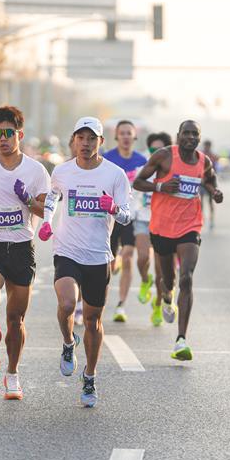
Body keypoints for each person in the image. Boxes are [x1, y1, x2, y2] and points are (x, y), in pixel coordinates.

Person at [38, 116, 132, 407]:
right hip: (67, 250)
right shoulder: (63, 171)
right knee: (66, 304)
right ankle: (68, 343)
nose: (86, 144)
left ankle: (89, 377)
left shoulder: (115, 175)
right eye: (81, 138)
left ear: (101, 142)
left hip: (98, 256)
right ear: (74, 140)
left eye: (92, 139)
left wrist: (114, 208)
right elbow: (52, 198)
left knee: (92, 320)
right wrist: (46, 221)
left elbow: (128, 216)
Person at [0, 106, 50, 401]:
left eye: (8, 133)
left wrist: (27, 199)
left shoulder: (35, 171)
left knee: (16, 318)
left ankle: (13, 375)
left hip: (21, 248)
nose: (2, 139)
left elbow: (45, 209)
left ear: (19, 134)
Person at [133, 120, 223, 361]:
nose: (191, 137)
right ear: (179, 135)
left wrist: (214, 191)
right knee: (168, 280)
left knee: (187, 277)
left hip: (190, 226)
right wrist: (161, 186)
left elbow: (210, 179)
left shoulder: (203, 161)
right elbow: (138, 182)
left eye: (195, 134)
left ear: (199, 138)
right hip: (162, 227)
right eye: (187, 133)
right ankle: (166, 296)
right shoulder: (164, 157)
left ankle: (181, 339)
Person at [102, 120, 151, 323]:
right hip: (110, 216)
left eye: (128, 133)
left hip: (131, 215)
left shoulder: (142, 161)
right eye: (121, 133)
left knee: (129, 254)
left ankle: (121, 305)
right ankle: (116, 261)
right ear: (116, 136)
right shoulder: (106, 159)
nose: (125, 137)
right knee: (110, 265)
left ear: (134, 136)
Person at [143, 131, 172, 326]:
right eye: (153, 149)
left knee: (166, 272)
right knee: (149, 262)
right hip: (147, 221)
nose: (156, 152)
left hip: (171, 225)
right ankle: (149, 286)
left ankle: (161, 302)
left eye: (160, 149)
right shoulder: (146, 166)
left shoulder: (174, 169)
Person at [199, 140, 220, 229]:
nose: (207, 147)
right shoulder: (201, 156)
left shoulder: (213, 156)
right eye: (206, 146)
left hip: (210, 182)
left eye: (208, 146)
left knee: (210, 202)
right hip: (202, 181)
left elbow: (215, 169)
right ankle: (202, 218)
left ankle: (211, 220)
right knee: (201, 201)